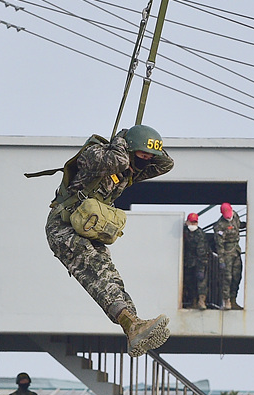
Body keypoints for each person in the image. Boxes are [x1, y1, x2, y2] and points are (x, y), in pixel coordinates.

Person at [44, 124, 175, 357]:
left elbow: (166, 164)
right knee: (96, 273)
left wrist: (148, 146)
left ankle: (133, 327)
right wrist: (123, 140)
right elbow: (117, 160)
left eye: (149, 156)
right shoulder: (95, 154)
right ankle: (132, 326)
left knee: (111, 277)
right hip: (63, 227)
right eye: (142, 154)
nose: (145, 160)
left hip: (88, 229)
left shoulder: (130, 169)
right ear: (130, 149)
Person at [212, 202, 244, 310]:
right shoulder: (219, 226)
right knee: (227, 278)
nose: (229, 217)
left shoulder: (235, 216)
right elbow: (219, 245)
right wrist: (221, 260)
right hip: (226, 253)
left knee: (237, 276)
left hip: (236, 251)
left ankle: (234, 299)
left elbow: (238, 224)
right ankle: (226, 300)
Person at [182, 212, 210, 309]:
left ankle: (201, 301)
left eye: (195, 222)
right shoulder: (183, 232)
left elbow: (201, 252)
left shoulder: (200, 234)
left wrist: (201, 268)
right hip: (187, 262)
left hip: (199, 262)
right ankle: (192, 302)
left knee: (201, 282)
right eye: (191, 222)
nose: (193, 225)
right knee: (189, 283)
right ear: (187, 222)